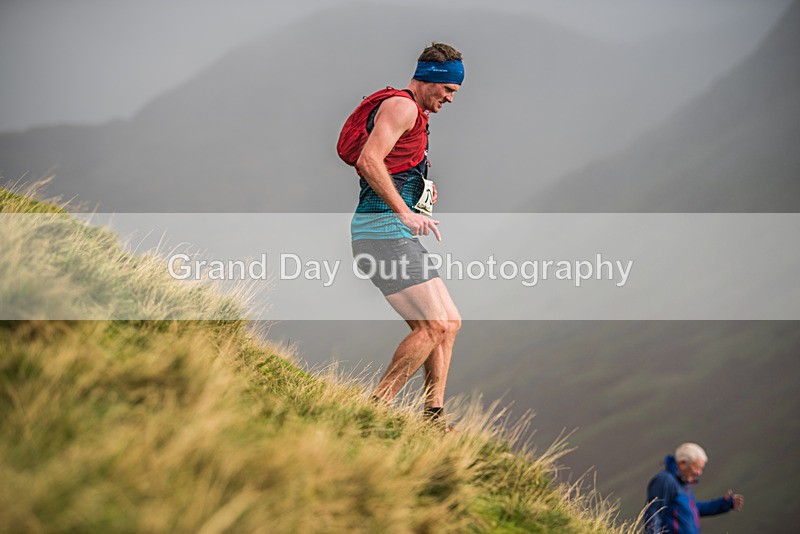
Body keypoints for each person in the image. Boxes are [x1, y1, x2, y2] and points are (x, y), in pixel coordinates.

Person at [337, 42, 463, 428]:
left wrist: (421, 191)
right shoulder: (402, 106)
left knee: (450, 322)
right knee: (433, 326)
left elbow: (392, 166)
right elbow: (368, 161)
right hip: (381, 232)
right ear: (433, 80)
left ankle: (433, 415)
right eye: (448, 90)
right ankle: (375, 408)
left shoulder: (415, 114)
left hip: (390, 232)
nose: (450, 99)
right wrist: (404, 211)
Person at [644, 443, 744, 533]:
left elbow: (692, 509)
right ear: (682, 463)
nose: (699, 473)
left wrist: (724, 504)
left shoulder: (682, 483)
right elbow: (653, 514)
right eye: (696, 468)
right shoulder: (665, 480)